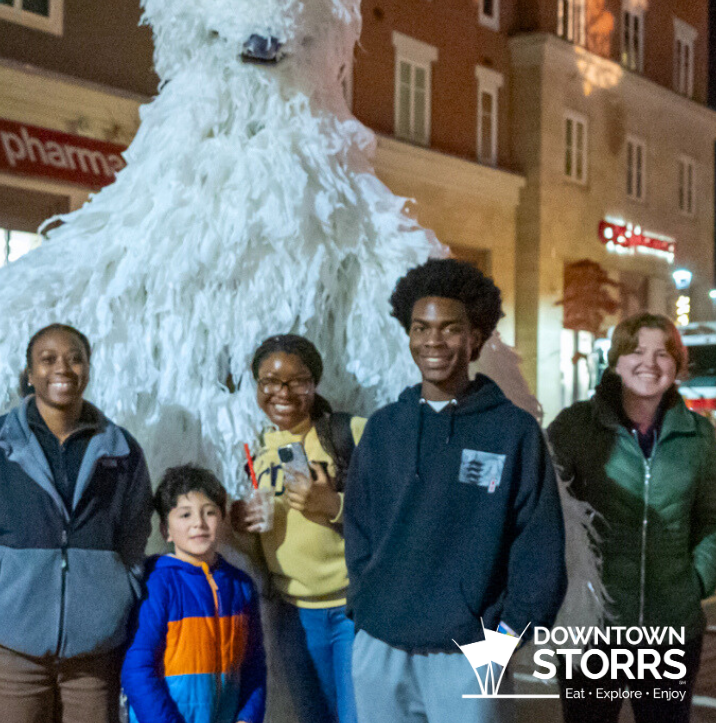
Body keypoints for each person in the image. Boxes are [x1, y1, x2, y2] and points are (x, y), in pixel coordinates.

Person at [345, 258, 567, 723]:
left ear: (476, 338)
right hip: (381, 645)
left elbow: (538, 546)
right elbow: (359, 529)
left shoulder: (513, 431)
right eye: (420, 327)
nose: (432, 341)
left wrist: (504, 640)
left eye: (449, 328)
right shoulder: (384, 427)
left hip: (470, 652)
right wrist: (365, 607)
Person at [0, 323, 152, 723]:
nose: (63, 369)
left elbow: (135, 536)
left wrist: (119, 594)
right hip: (7, 647)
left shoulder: (122, 450)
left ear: (88, 368)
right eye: (48, 359)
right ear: (30, 373)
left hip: (94, 653)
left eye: (75, 358)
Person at [547, 313, 716, 722]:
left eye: (663, 353)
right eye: (636, 351)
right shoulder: (575, 427)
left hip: (670, 629)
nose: (650, 364)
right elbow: (544, 511)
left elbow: (713, 520)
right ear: (615, 360)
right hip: (593, 629)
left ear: (677, 365)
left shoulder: (699, 436)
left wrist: (694, 582)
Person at [231, 334, 364, 723]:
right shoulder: (256, 451)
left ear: (315, 383)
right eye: (269, 382)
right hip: (292, 614)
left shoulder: (348, 433)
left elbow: (398, 507)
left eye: (297, 381)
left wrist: (335, 506)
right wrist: (242, 525)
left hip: (351, 608)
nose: (282, 392)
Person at [122, 464, 267, 723]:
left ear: (222, 520)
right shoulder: (157, 583)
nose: (199, 523)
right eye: (185, 515)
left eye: (209, 512)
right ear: (165, 530)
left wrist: (248, 717)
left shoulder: (241, 586)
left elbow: (253, 665)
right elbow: (137, 669)